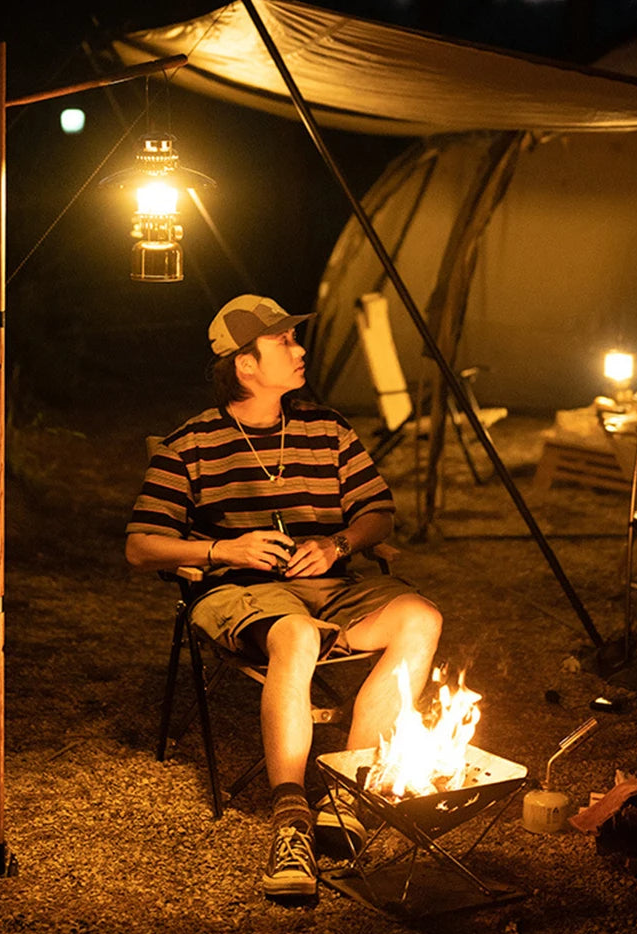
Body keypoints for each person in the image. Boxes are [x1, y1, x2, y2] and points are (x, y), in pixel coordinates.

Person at [125, 294, 442, 901]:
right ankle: (291, 821)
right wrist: (226, 550)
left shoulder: (327, 428)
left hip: (332, 586)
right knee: (295, 634)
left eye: (295, 339)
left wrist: (338, 543)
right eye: (284, 342)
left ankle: (347, 794)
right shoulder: (192, 443)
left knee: (420, 618)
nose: (300, 350)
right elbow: (141, 546)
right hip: (241, 592)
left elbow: (377, 511)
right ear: (245, 365)